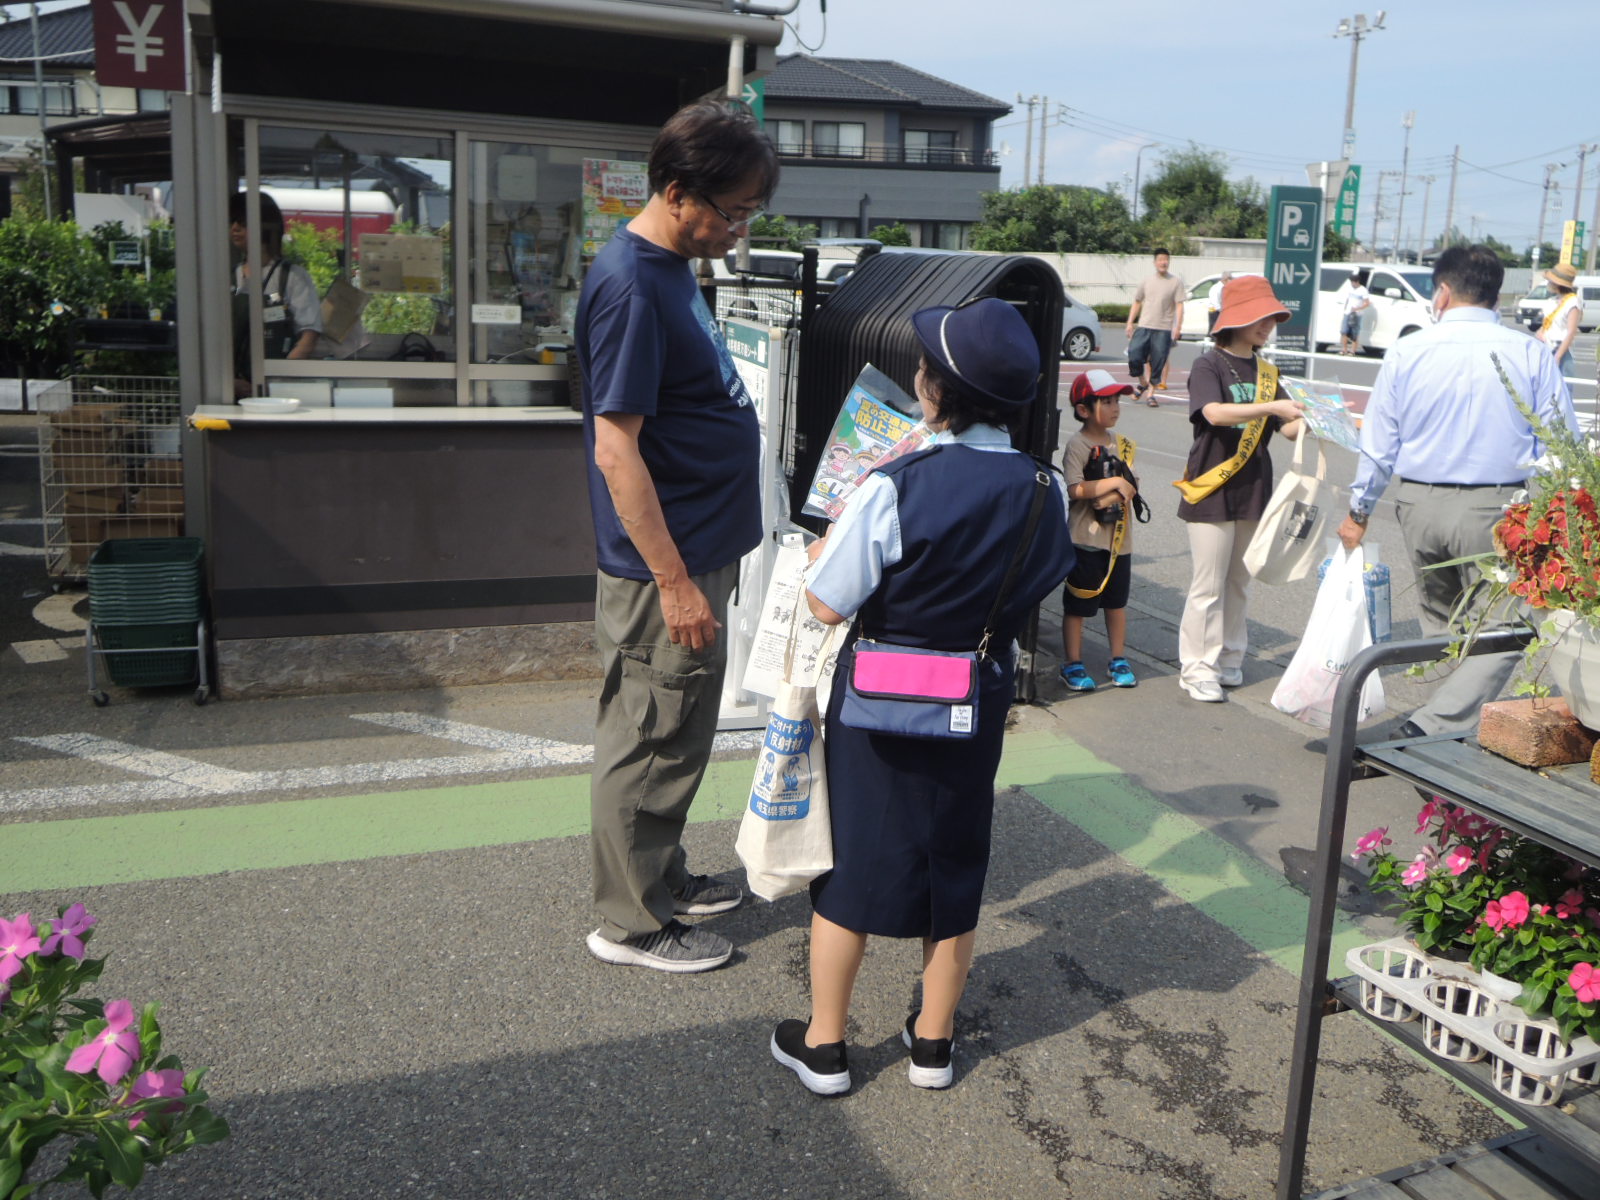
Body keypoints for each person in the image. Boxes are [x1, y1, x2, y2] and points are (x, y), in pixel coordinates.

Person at [770, 297, 1075, 1095]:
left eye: (923, 369)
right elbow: (1039, 578)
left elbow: (827, 602)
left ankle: (827, 1047)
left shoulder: (894, 483)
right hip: (978, 693)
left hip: (879, 700)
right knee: (956, 860)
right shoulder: (1047, 489)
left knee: (852, 867)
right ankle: (932, 1046)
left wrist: (825, 551)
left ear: (939, 390)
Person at [576, 102, 778, 973]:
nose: (737, 230)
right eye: (729, 212)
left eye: (747, 214)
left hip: (700, 544)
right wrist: (675, 580)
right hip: (670, 563)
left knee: (680, 725)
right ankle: (631, 921)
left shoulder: (671, 267)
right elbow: (614, 446)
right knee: (649, 732)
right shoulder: (629, 282)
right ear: (674, 192)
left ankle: (659, 872)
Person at [1337, 244, 1578, 737]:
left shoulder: (1409, 349)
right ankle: (1437, 728)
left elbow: (1380, 443)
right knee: (1508, 626)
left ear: (1443, 292)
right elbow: (1560, 442)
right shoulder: (1528, 352)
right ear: (1495, 295)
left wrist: (1359, 510)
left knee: (1443, 625)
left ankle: (1437, 732)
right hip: (1498, 507)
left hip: (1419, 503)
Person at [1175, 276, 1305, 703]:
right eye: (1259, 317)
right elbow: (1212, 413)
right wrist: (1271, 407)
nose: (1268, 325)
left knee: (1238, 581)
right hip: (1212, 483)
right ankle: (1197, 668)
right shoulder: (1208, 364)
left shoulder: (1268, 371)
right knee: (1207, 584)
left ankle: (1230, 658)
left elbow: (1286, 429)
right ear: (1235, 319)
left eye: (1272, 317)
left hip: (1253, 486)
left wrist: (1312, 419)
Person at [1059, 369, 1142, 692]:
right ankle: (1072, 663)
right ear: (1083, 409)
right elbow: (1074, 488)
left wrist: (1110, 493)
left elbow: (1132, 486)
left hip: (1120, 543)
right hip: (1085, 540)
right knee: (1078, 604)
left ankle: (1118, 658)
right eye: (1106, 402)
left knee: (1117, 603)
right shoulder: (1077, 444)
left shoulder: (1123, 444)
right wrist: (1113, 484)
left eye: (1117, 400)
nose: (1115, 408)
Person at [230, 191, 322, 399]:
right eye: (232, 222)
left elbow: (309, 337)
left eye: (242, 222)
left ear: (264, 225)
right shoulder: (229, 277)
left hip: (277, 393)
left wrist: (276, 383)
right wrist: (230, 381)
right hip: (232, 390)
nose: (234, 228)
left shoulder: (291, 277)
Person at [1125, 248, 1184, 406]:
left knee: (1158, 361)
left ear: (1169, 262)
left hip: (1163, 328)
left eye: (1166, 259)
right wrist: (1130, 322)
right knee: (1134, 354)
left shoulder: (1175, 282)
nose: (1163, 262)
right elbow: (1137, 301)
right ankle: (1142, 382)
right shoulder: (1146, 281)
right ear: (1155, 262)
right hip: (1144, 325)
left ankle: (1151, 394)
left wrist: (1177, 326)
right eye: (1160, 259)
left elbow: (1179, 305)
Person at [1537, 262, 1581, 378]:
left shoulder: (1573, 302)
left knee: (1563, 390)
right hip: (1546, 347)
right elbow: (1546, 325)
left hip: (1561, 351)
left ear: (1557, 283)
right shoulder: (1552, 301)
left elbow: (1571, 331)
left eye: (1550, 280)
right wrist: (1540, 333)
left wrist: (1558, 356)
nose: (1548, 283)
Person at [1339, 269, 1371, 355]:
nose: (1352, 283)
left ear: (1357, 282)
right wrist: (1345, 309)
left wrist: (1357, 309)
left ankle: (1352, 350)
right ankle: (1344, 349)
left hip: (1357, 314)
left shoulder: (1363, 290)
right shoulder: (1350, 289)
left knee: (1354, 332)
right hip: (1347, 312)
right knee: (1344, 331)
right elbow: (1348, 299)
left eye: (1353, 282)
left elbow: (1367, 303)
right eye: (1351, 282)